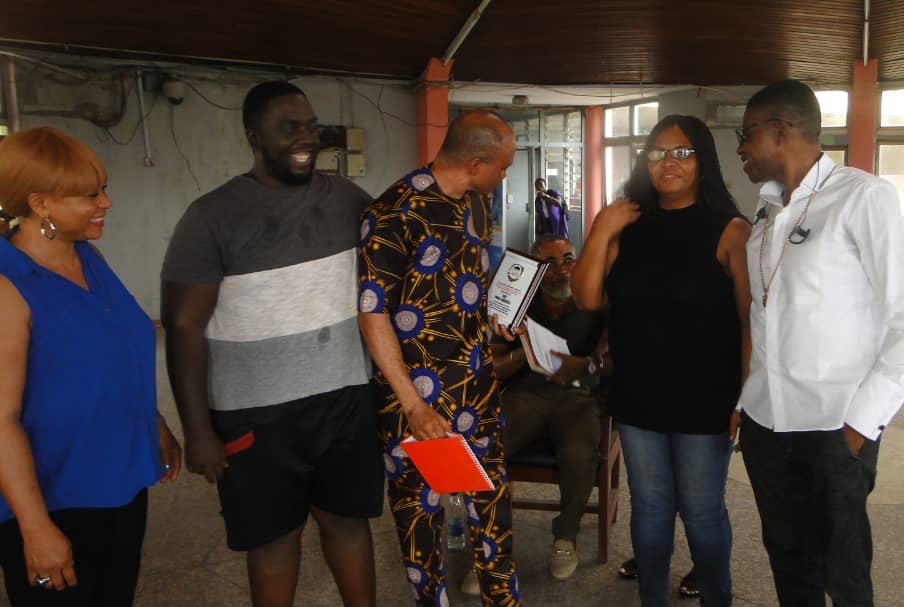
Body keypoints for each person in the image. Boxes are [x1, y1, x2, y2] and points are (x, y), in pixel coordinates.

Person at [161, 81, 383, 607]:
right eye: (288, 129)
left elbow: (397, 256)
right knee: (273, 542)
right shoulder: (211, 216)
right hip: (254, 416)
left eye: (310, 127)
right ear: (254, 137)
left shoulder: (347, 199)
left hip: (345, 400)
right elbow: (184, 326)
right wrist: (198, 430)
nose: (305, 138)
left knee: (349, 525)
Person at [732, 79, 904, 607]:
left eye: (746, 134)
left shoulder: (863, 197)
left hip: (833, 424)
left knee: (843, 572)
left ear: (781, 131)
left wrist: (861, 423)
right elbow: (764, 314)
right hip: (766, 422)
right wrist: (745, 402)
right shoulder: (767, 209)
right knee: (788, 561)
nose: (740, 148)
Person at [572, 114, 751, 607]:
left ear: (703, 161)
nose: (668, 163)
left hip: (706, 398)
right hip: (639, 393)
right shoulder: (626, 224)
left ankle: (717, 599)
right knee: (650, 507)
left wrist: (745, 397)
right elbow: (587, 298)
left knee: (701, 510)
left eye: (682, 152)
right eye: (657, 153)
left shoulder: (731, 231)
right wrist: (601, 228)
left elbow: (749, 324)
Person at [0, 127, 182, 606]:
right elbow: (0, 421)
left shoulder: (88, 257)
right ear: (40, 204)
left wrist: (155, 424)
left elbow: (114, 353)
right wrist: (35, 528)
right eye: (89, 195)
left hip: (118, 480)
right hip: (55, 497)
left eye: (102, 189)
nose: (105, 203)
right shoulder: (8, 285)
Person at [357, 110, 522, 607]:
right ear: (476, 163)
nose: (505, 176)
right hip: (416, 404)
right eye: (502, 167)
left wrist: (495, 316)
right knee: (420, 524)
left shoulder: (478, 203)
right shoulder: (393, 213)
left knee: (492, 515)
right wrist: (413, 405)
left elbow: (462, 285)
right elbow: (372, 313)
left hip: (477, 388)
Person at [494, 235, 606, 582]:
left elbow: (612, 361)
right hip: (526, 394)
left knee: (578, 452)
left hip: (577, 397)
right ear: (534, 269)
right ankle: (491, 543)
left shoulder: (595, 301)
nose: (561, 269)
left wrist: (585, 366)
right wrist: (522, 351)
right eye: (550, 262)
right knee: (488, 445)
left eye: (568, 259)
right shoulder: (516, 304)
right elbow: (493, 368)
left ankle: (565, 537)